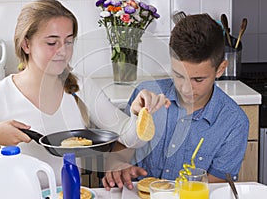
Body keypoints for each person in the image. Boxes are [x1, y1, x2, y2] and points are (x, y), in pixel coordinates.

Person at [0, 0, 170, 188]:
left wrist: (139, 115)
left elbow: (130, 138)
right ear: (26, 44)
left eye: (68, 41)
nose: (62, 51)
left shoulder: (81, 87)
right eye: (51, 42)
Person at [102, 13, 249, 190]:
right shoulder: (146, 95)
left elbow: (214, 189)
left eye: (198, 79)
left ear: (220, 69)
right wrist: (117, 166)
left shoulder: (234, 122)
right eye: (179, 75)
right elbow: (120, 151)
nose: (186, 88)